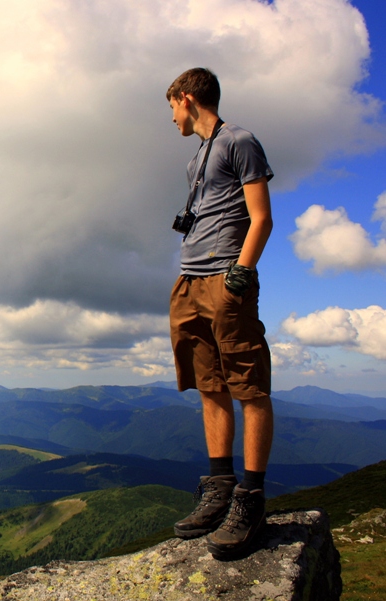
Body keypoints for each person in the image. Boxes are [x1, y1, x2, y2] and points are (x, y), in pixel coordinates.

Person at [165, 68, 274, 559]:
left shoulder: (239, 141)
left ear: (187, 99)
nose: (172, 118)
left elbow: (261, 215)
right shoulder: (196, 160)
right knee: (210, 385)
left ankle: (249, 498)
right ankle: (220, 488)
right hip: (190, 279)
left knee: (248, 385)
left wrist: (241, 274)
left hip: (225, 280)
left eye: (172, 107)